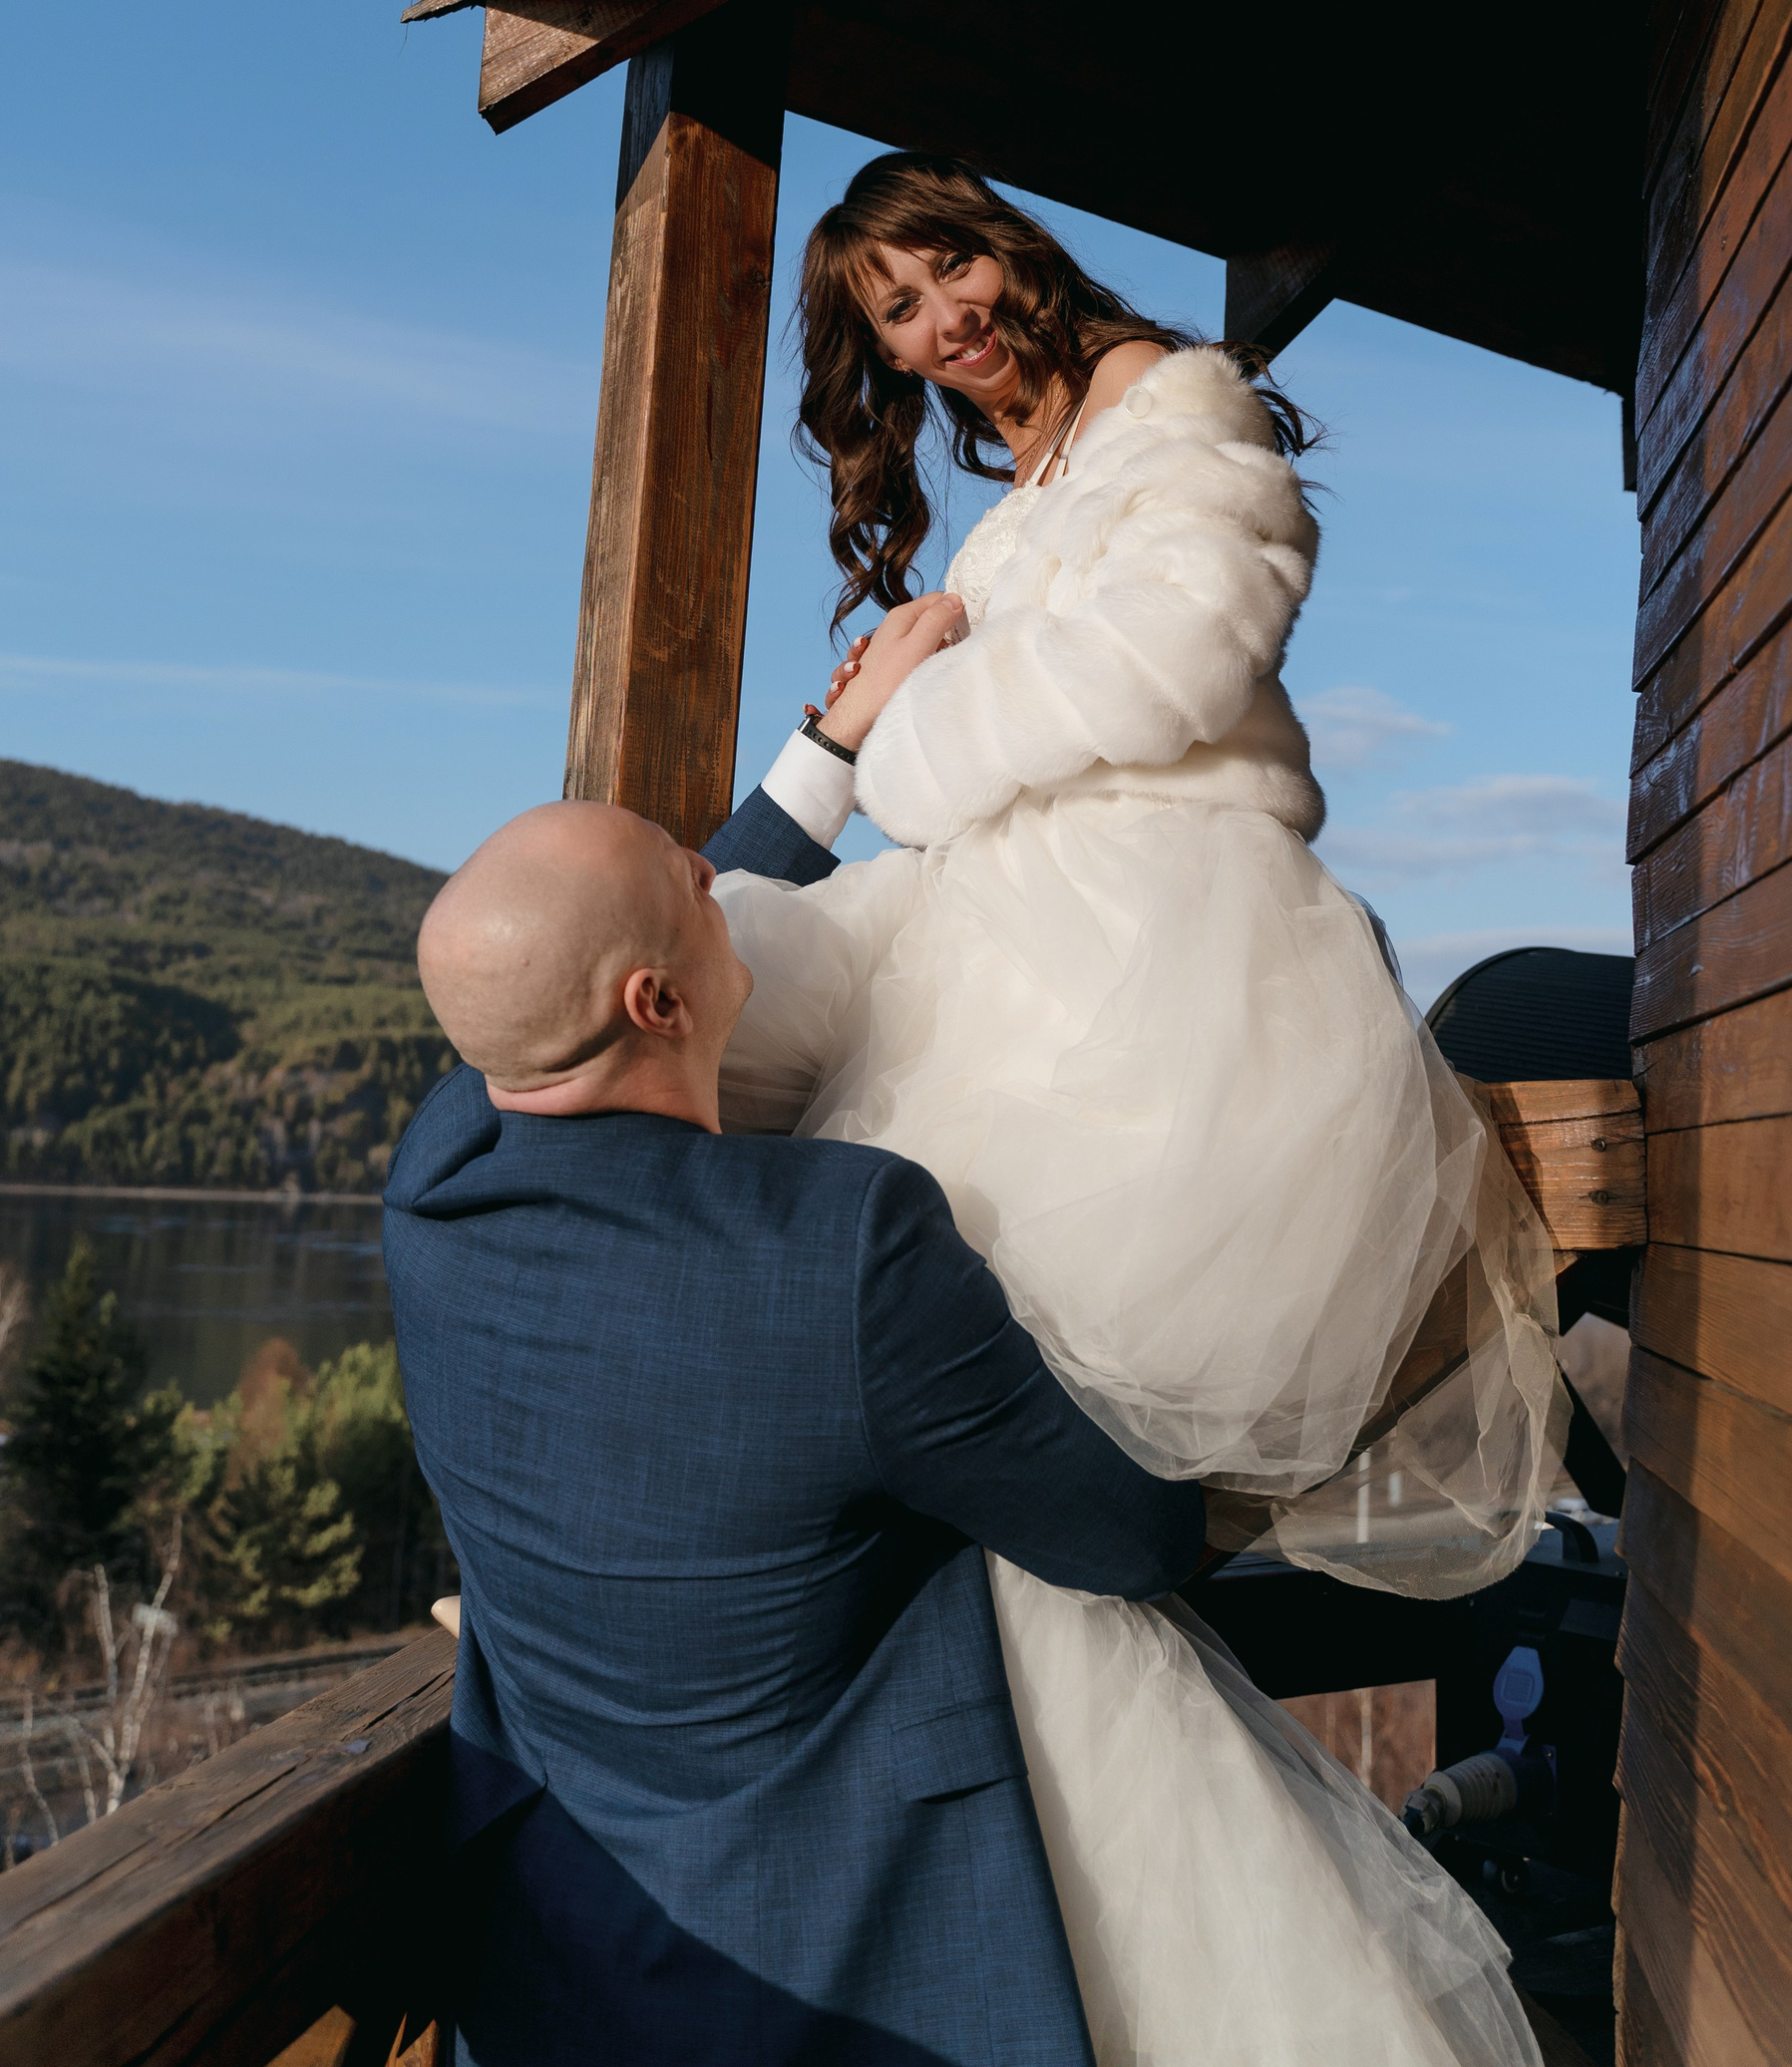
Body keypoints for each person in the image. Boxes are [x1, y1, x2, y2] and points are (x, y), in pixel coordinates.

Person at [707, 154, 1567, 2067]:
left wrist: (904, 738)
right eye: (898, 313)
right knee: (883, 1366)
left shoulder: (1181, 404)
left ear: (1009, 247)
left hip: (1154, 944)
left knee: (1011, 1469)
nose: (945, 322)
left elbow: (1183, 656)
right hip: (1005, 933)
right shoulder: (1022, 486)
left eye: (951, 269)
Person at [385, 726, 1205, 2067]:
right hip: (848, 1980)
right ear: (657, 1004)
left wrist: (828, 753)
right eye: (687, 873)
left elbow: (584, 967)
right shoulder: (844, 1248)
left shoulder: (435, 1179)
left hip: (553, 1966)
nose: (715, 869)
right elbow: (1135, 1543)